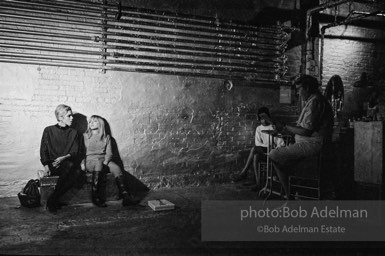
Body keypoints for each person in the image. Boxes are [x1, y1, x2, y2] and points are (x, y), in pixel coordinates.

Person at [269, 75, 334, 200]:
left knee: (274, 155)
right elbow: (303, 127)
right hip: (310, 143)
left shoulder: (315, 102)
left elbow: (306, 131)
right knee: (281, 157)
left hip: (313, 145)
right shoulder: (313, 100)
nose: (298, 93)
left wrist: (285, 126)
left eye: (299, 89)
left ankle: (290, 197)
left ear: (307, 87)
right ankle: (294, 188)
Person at [81, 115, 136, 207]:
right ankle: (95, 197)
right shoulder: (85, 136)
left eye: (94, 121)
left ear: (100, 124)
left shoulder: (106, 137)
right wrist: (82, 163)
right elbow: (81, 152)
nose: (91, 123)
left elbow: (109, 153)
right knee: (98, 163)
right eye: (90, 122)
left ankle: (125, 197)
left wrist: (106, 162)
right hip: (90, 161)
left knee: (116, 168)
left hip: (103, 160)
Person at [40, 104, 83, 213]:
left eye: (72, 115)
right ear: (60, 117)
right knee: (72, 169)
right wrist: (46, 166)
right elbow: (43, 150)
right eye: (69, 116)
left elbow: (75, 152)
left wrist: (63, 158)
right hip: (53, 164)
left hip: (67, 163)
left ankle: (53, 199)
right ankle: (54, 200)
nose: (72, 118)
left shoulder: (74, 133)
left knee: (76, 171)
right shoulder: (48, 130)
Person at [232, 107, 285, 187]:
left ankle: (244, 173)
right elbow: (257, 143)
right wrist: (267, 146)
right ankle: (258, 183)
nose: (263, 120)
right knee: (255, 154)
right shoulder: (259, 128)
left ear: (268, 117)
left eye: (264, 118)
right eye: (261, 118)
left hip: (273, 152)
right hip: (263, 151)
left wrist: (273, 148)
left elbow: (281, 143)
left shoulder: (273, 127)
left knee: (254, 150)